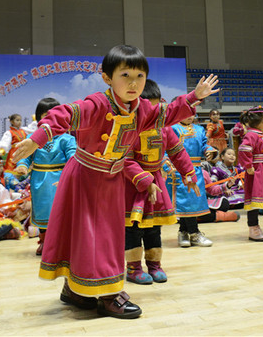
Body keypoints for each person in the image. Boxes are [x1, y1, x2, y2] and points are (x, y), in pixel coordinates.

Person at [12, 45, 219, 319]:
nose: (133, 84)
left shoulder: (143, 108)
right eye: (125, 76)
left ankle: (76, 290)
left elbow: (167, 115)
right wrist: (36, 138)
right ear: (107, 78)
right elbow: (65, 115)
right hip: (85, 178)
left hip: (112, 180)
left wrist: (195, 96)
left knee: (106, 237)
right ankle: (108, 295)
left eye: (139, 77)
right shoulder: (97, 103)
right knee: (91, 236)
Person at [123, 79, 199, 284]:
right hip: (133, 185)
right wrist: (145, 180)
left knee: (154, 227)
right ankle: (133, 268)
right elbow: (125, 160)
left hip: (156, 181)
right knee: (132, 228)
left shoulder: (164, 128)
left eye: (156, 107)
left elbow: (177, 151)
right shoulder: (128, 128)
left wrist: (188, 174)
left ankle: (154, 265)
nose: (152, 113)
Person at [15, 97, 76, 256]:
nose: (48, 119)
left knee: (63, 213)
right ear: (38, 117)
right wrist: (22, 165)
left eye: (52, 115)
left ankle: (64, 243)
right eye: (44, 115)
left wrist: (71, 172)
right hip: (39, 180)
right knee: (43, 212)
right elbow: (25, 155)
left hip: (61, 179)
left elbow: (73, 156)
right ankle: (44, 241)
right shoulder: (32, 138)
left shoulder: (66, 138)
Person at [167, 113, 217, 248]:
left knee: (193, 202)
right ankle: (194, 233)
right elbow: (166, 148)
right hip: (179, 170)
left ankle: (183, 232)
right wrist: (168, 167)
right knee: (186, 202)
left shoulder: (199, 129)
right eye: (186, 112)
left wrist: (209, 150)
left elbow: (203, 145)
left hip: (197, 170)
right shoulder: (172, 128)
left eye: (192, 113)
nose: (190, 116)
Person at [237, 106, 263, 242]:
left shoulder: (262, 136)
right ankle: (253, 227)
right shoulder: (251, 135)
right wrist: (248, 166)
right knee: (255, 201)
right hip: (257, 172)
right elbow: (244, 150)